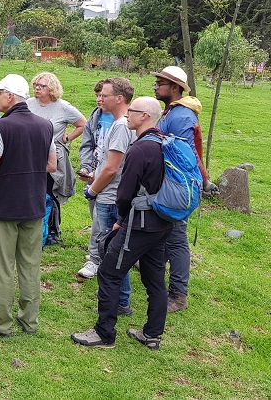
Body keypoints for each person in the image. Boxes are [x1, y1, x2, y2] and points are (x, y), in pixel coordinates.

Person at [71, 96, 173, 350]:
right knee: (155, 280)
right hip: (162, 222)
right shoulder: (164, 142)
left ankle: (104, 334)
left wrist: (121, 221)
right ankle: (152, 335)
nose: (128, 115)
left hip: (138, 225)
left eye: (133, 111)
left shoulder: (139, 149)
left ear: (146, 116)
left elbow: (125, 193)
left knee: (109, 272)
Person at [0, 74, 56, 337]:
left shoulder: (2, 127)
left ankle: (2, 323)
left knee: (1, 266)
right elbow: (52, 165)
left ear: (10, 96)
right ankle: (29, 321)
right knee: (30, 264)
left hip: (4, 208)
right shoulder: (46, 126)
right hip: (34, 205)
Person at [151, 66, 216, 313]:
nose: (155, 87)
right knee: (167, 233)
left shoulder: (181, 116)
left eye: (160, 83)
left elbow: (181, 156)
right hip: (176, 184)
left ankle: (179, 295)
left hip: (179, 186)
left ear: (175, 88)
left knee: (177, 239)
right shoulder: (173, 112)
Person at [82, 77, 135, 316]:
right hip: (109, 193)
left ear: (119, 99)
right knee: (113, 250)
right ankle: (115, 296)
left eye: (104, 95)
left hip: (110, 198)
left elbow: (113, 168)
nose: (99, 99)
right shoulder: (117, 124)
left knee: (112, 251)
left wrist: (93, 189)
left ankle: (120, 301)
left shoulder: (122, 126)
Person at [27, 72, 86, 245]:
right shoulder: (28, 104)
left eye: (42, 85)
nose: (37, 88)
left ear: (51, 88)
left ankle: (53, 229)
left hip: (53, 156)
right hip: (31, 154)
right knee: (32, 190)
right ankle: (33, 226)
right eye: (36, 85)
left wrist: (67, 139)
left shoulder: (63, 107)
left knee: (51, 191)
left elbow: (83, 123)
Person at [77, 79, 114, 280]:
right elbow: (87, 144)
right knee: (96, 216)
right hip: (94, 174)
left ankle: (95, 259)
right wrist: (87, 166)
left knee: (102, 218)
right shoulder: (95, 115)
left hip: (111, 176)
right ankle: (102, 251)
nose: (99, 100)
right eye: (97, 95)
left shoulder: (123, 120)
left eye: (103, 96)